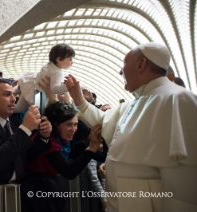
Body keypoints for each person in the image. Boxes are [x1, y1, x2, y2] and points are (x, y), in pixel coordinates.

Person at [67, 42, 197, 212]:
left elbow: (185, 188)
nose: (121, 71)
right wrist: (78, 98)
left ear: (141, 64)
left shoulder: (177, 99)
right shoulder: (134, 103)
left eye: (125, 64)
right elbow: (102, 120)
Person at [0, 79, 53, 211]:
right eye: (7, 94)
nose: (14, 99)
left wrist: (44, 137)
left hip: (23, 189)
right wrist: (25, 129)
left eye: (13, 94)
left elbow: (26, 154)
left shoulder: (14, 122)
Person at [22, 101, 103, 212]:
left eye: (75, 124)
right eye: (69, 124)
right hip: (37, 191)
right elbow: (69, 172)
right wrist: (93, 147)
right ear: (56, 125)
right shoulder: (49, 141)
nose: (73, 129)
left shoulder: (62, 139)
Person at [13, 43, 75, 113]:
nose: (72, 62)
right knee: (39, 117)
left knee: (18, 108)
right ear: (59, 59)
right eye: (70, 59)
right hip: (38, 97)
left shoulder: (49, 65)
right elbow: (54, 89)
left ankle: (6, 99)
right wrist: (66, 87)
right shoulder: (58, 73)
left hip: (29, 89)